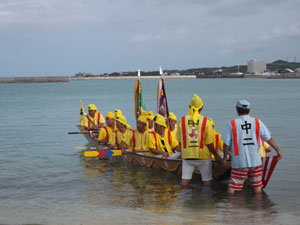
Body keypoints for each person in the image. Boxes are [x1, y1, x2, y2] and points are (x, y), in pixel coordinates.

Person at [222, 100, 283, 194]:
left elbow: (226, 143)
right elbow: (268, 138)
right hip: (255, 159)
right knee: (257, 184)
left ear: (237, 110)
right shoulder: (257, 122)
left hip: (239, 161)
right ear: (249, 110)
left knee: (233, 185)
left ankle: (232, 207)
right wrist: (278, 150)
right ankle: (258, 206)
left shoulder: (232, 123)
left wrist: (225, 157)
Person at [176, 94, 223, 186]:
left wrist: (183, 152)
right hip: (203, 157)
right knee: (207, 181)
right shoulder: (206, 122)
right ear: (202, 108)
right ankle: (206, 200)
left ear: (189, 106)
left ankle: (182, 199)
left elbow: (180, 140)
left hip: (187, 156)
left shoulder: (182, 120)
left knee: (184, 181)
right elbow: (209, 143)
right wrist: (216, 156)